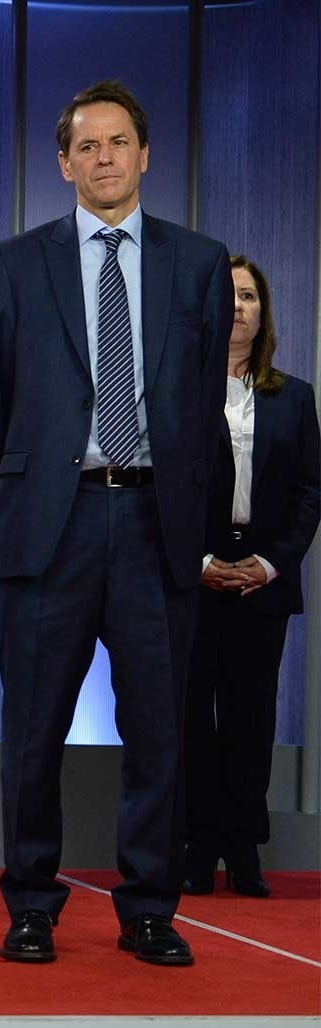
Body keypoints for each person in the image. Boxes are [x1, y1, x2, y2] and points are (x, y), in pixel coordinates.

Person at [0, 80, 231, 966]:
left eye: (119, 142)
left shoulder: (198, 263)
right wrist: (12, 520)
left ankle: (151, 907)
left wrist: (193, 522)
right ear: (64, 163)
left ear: (145, 154)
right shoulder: (18, 262)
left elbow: (203, 410)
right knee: (34, 729)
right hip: (54, 523)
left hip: (158, 523)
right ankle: (31, 905)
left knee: (159, 731)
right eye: (87, 146)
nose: (104, 158)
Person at [182, 256, 319, 898]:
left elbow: (310, 493)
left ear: (263, 313)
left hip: (263, 579)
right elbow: (162, 489)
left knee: (251, 718)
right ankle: (196, 844)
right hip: (193, 577)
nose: (237, 308)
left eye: (248, 297)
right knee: (190, 718)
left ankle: (242, 848)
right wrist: (200, 563)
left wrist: (270, 563)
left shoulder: (295, 396)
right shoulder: (178, 389)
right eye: (227, 296)